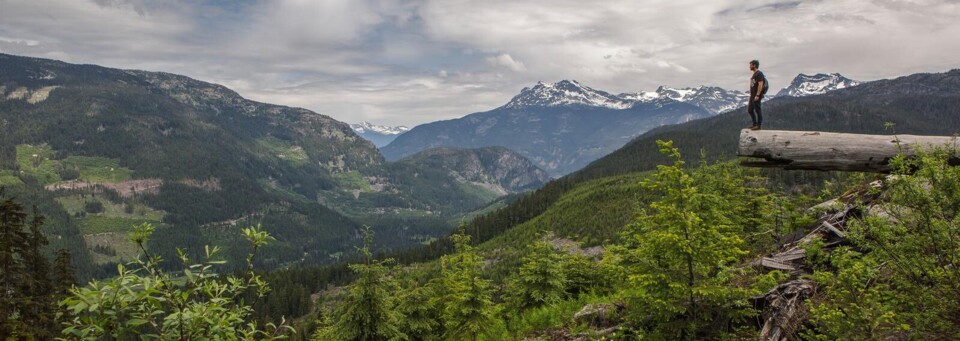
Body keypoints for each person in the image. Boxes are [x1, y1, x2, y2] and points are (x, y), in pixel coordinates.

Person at [747, 60, 765, 130]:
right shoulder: (754, 75)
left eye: (750, 65)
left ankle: (759, 125)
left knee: (758, 110)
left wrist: (757, 95)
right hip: (752, 96)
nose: (749, 66)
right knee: (750, 110)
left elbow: (760, 84)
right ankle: (754, 124)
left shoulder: (759, 73)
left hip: (756, 95)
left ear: (754, 65)